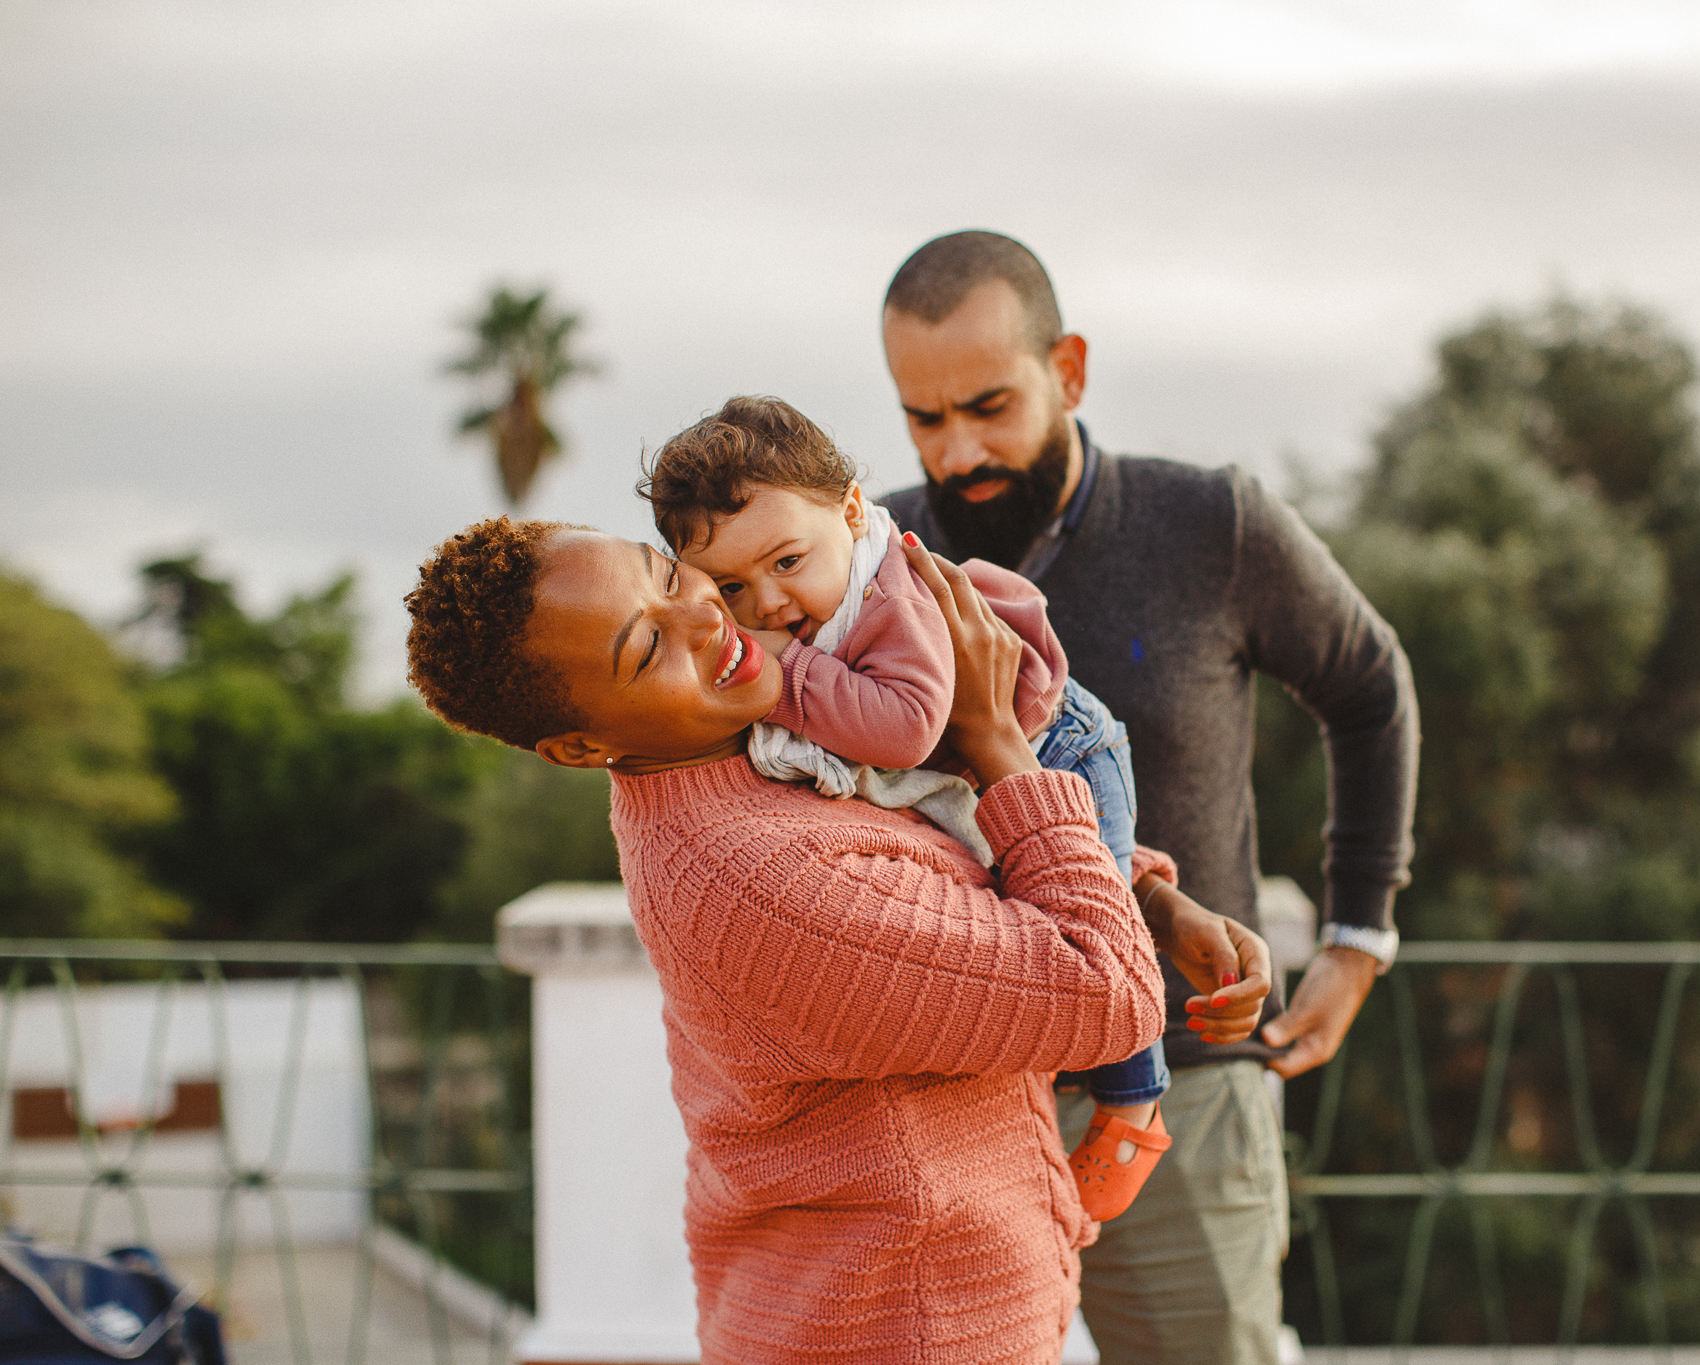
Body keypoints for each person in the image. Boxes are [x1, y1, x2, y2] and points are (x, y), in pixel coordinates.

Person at [402, 516, 1274, 1364]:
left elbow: (944, 851)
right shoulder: (757, 882)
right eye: (646, 648)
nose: (704, 614)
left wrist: (1153, 897)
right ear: (580, 744)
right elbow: (1108, 996)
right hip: (905, 1324)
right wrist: (997, 738)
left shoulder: (752, 739)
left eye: (666, 574)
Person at [876, 231, 1421, 1364]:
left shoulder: (1210, 525)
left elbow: (1370, 691)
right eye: (923, 419)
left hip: (1183, 1088)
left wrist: (1357, 937)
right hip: (948, 1100)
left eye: (987, 404)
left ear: (1067, 370)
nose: (957, 450)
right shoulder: (874, 557)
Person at [641, 393, 1214, 1218]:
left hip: (1068, 751)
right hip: (1006, 772)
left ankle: (1135, 1104)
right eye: (731, 585)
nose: (766, 604)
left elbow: (907, 730)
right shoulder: (816, 606)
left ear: (848, 510)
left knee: (1105, 938)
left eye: (787, 562)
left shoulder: (890, 596)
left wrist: (786, 677)